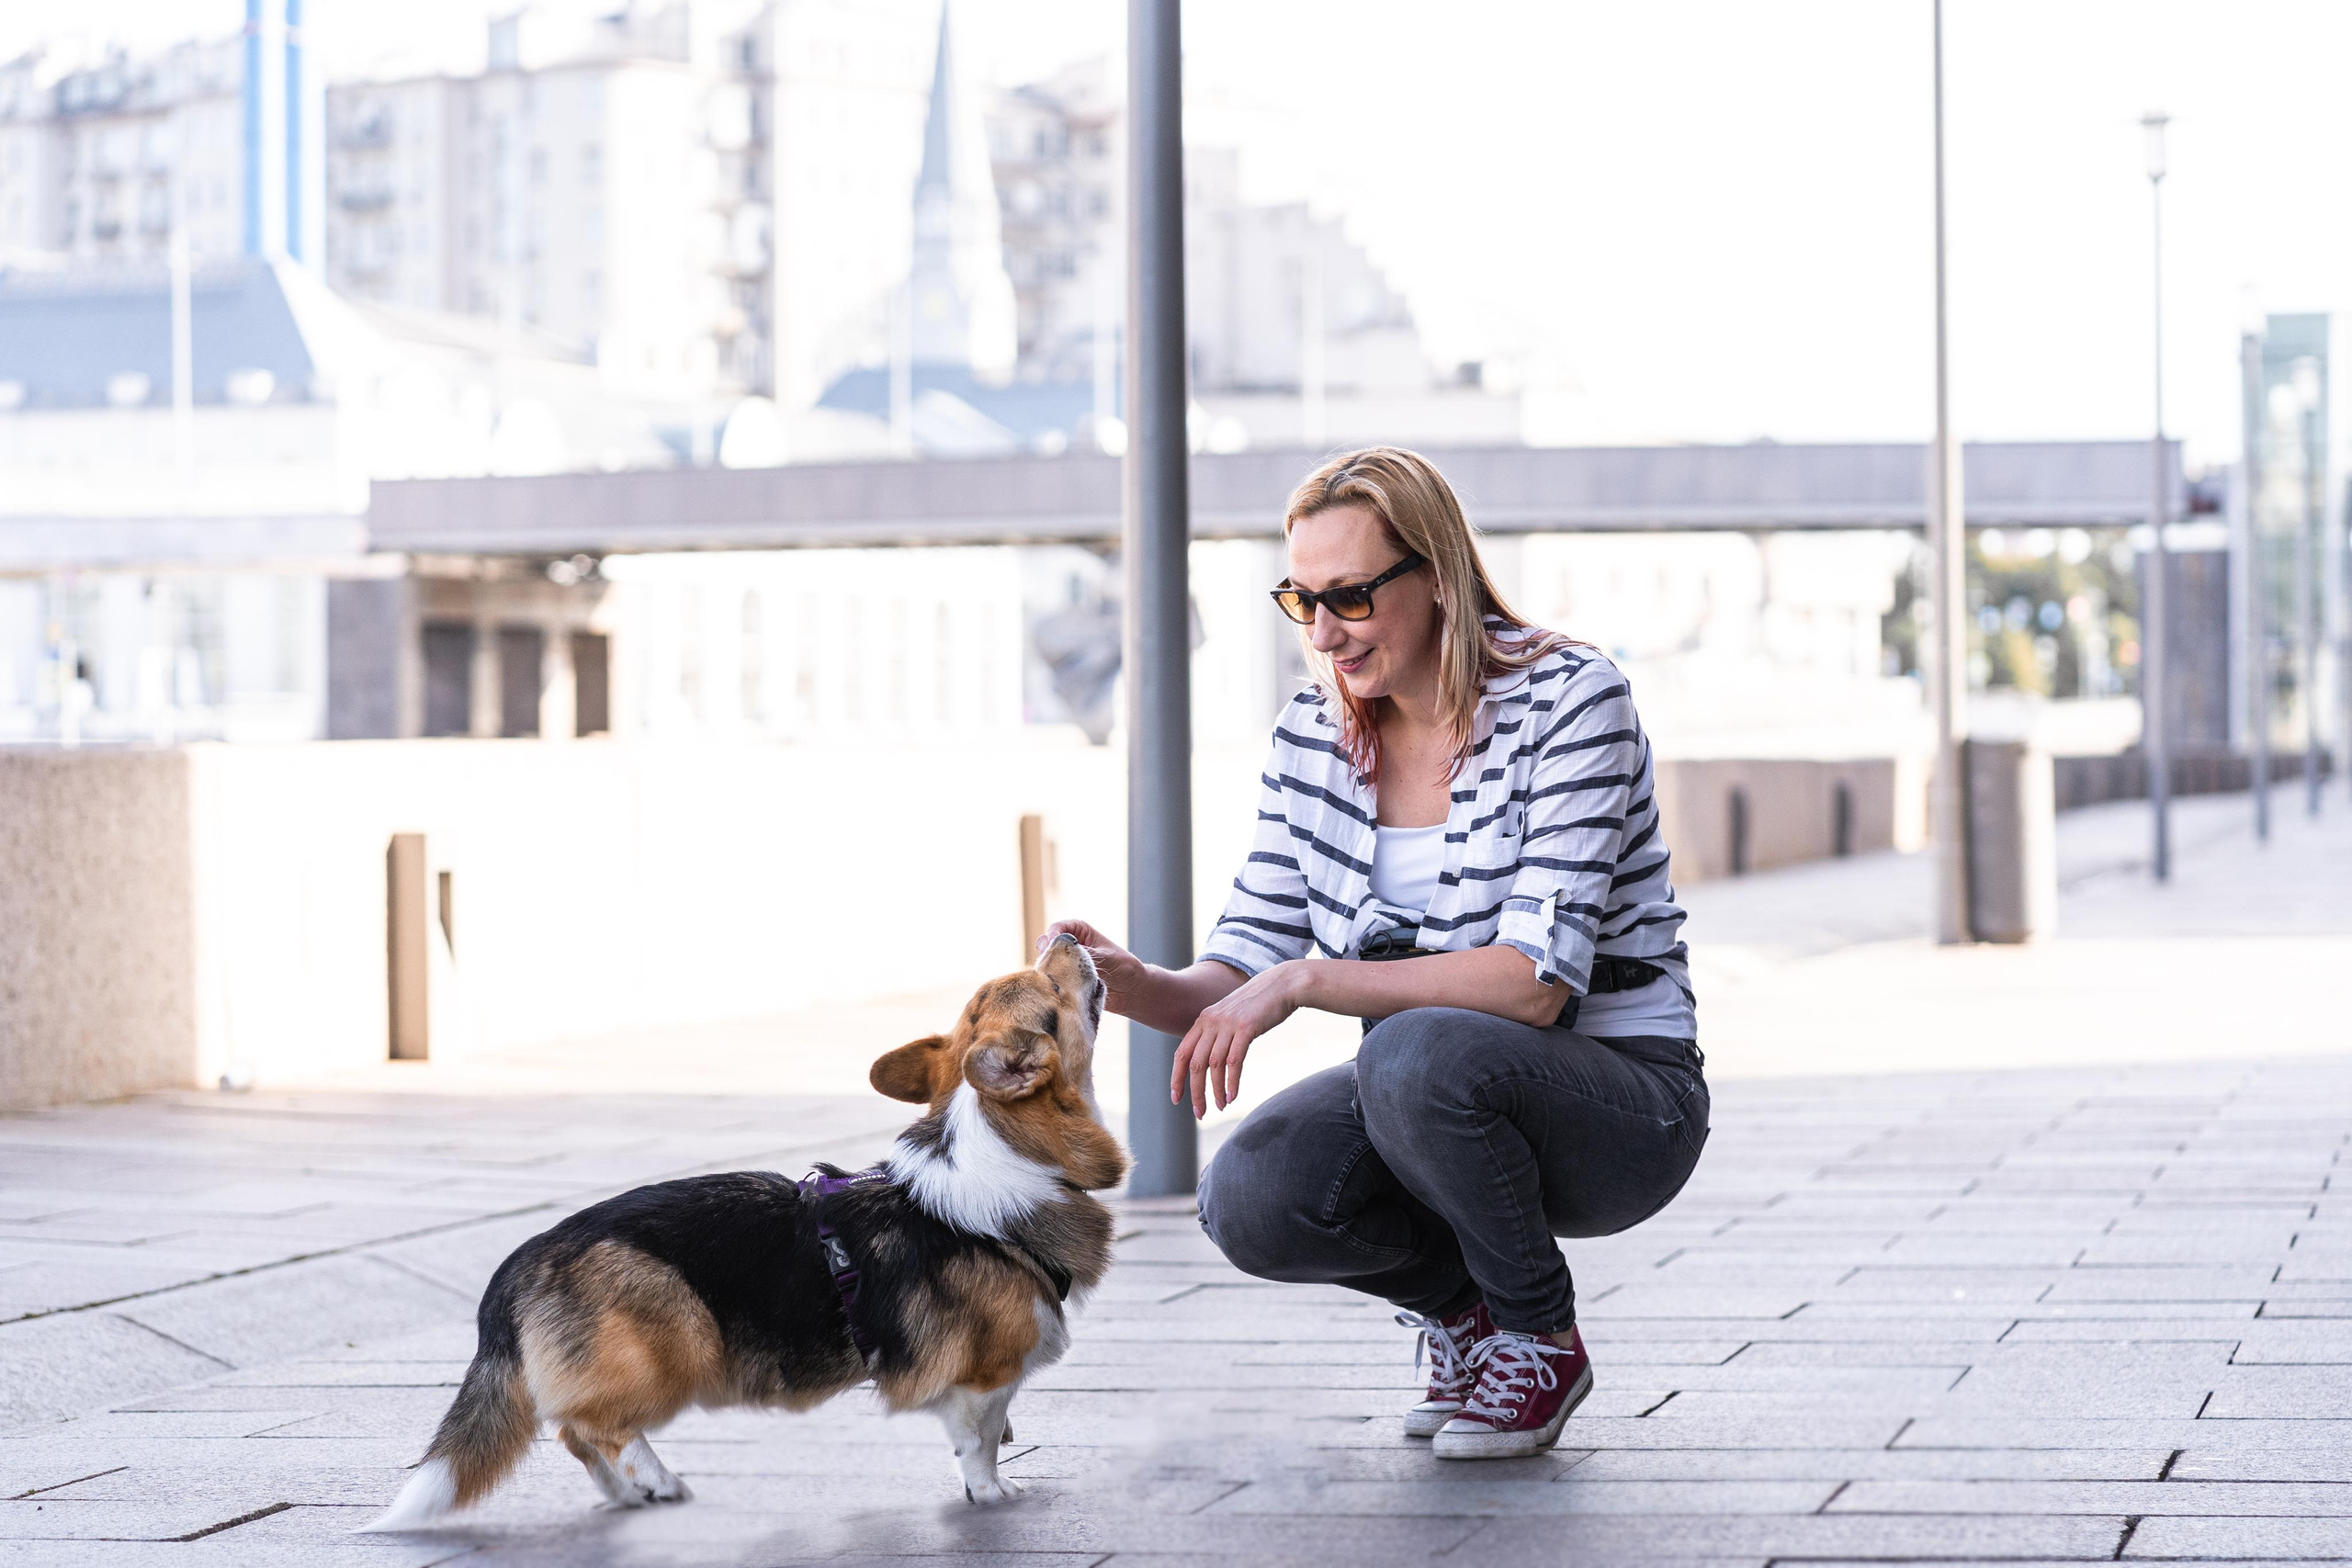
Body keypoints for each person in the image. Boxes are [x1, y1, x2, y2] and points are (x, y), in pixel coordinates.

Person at [1046, 446, 1705, 1461]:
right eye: (1300, 600)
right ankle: (1468, 1319)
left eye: (1349, 597)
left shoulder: (1573, 699)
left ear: (1437, 577)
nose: (1322, 633)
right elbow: (1242, 964)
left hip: (1621, 1099)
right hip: (1426, 1092)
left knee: (1407, 1051)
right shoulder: (1311, 737)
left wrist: (1307, 979)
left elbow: (1533, 984)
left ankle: (1538, 1337)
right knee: (1249, 1194)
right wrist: (1133, 985)